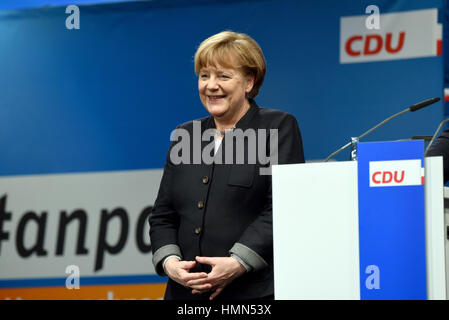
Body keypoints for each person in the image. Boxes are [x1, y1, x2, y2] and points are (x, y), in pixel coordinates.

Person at [148, 30, 305, 300]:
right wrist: (171, 264)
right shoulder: (186, 135)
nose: (211, 85)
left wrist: (237, 263)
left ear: (248, 82)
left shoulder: (278, 127)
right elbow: (163, 215)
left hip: (254, 295)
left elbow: (283, 206)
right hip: (184, 295)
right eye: (204, 75)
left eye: (223, 76)